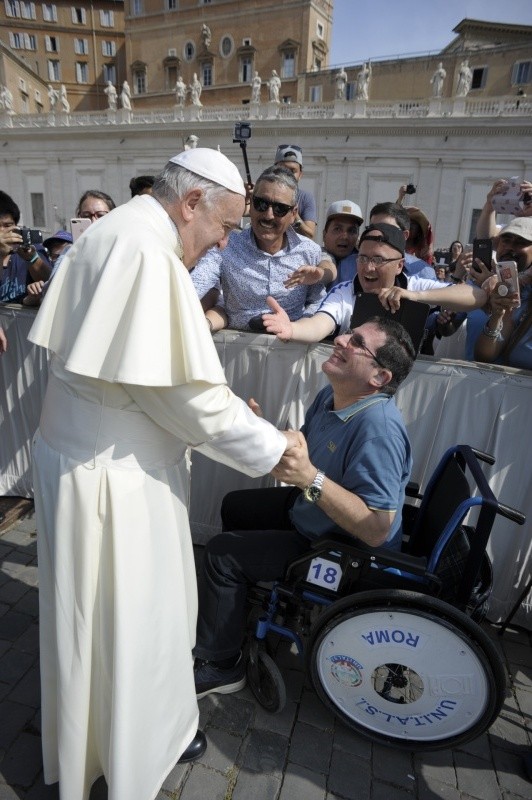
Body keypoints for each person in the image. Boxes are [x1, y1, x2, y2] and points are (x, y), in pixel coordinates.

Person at [28, 147, 300, 800]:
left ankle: (152, 732)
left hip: (96, 462)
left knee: (117, 622)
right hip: (113, 484)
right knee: (132, 626)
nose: (225, 241)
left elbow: (147, 378)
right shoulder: (148, 254)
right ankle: (129, 756)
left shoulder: (116, 231)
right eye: (225, 226)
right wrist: (276, 449)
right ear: (191, 203)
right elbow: (187, 400)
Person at [193, 315, 416, 697]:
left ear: (380, 377)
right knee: (235, 507)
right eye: (348, 333)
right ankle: (232, 612)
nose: (341, 340)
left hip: (345, 550)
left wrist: (310, 478)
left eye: (357, 342)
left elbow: (376, 530)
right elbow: (304, 451)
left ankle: (222, 665)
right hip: (314, 512)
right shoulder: (333, 396)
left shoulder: (378, 430)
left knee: (220, 554)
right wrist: (258, 429)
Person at [262, 222, 487, 344]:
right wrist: (292, 329)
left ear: (399, 265)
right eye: (363, 258)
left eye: (378, 260)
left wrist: (416, 297)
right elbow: (319, 325)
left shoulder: (416, 286)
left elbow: (478, 296)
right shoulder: (344, 292)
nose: (368, 268)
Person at [191, 166, 334, 332]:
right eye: (261, 204)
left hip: (291, 344)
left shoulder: (309, 251)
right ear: (251, 204)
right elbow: (196, 286)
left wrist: (296, 329)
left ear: (293, 213)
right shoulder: (226, 246)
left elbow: (316, 303)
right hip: (235, 345)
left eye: (280, 209)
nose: (268, 215)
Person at [0, 190, 51, 304]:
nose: (3, 231)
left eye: (7, 225)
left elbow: (51, 283)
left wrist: (32, 259)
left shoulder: (30, 248)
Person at [274, 144, 317, 239]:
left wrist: (293, 213)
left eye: (292, 171)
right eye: (283, 170)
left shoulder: (305, 198)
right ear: (274, 171)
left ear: (300, 175)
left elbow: (310, 234)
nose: (288, 174)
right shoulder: (264, 193)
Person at [322, 200, 363, 287]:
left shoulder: (365, 264)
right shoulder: (311, 258)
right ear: (324, 235)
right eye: (337, 229)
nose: (344, 237)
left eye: (352, 231)